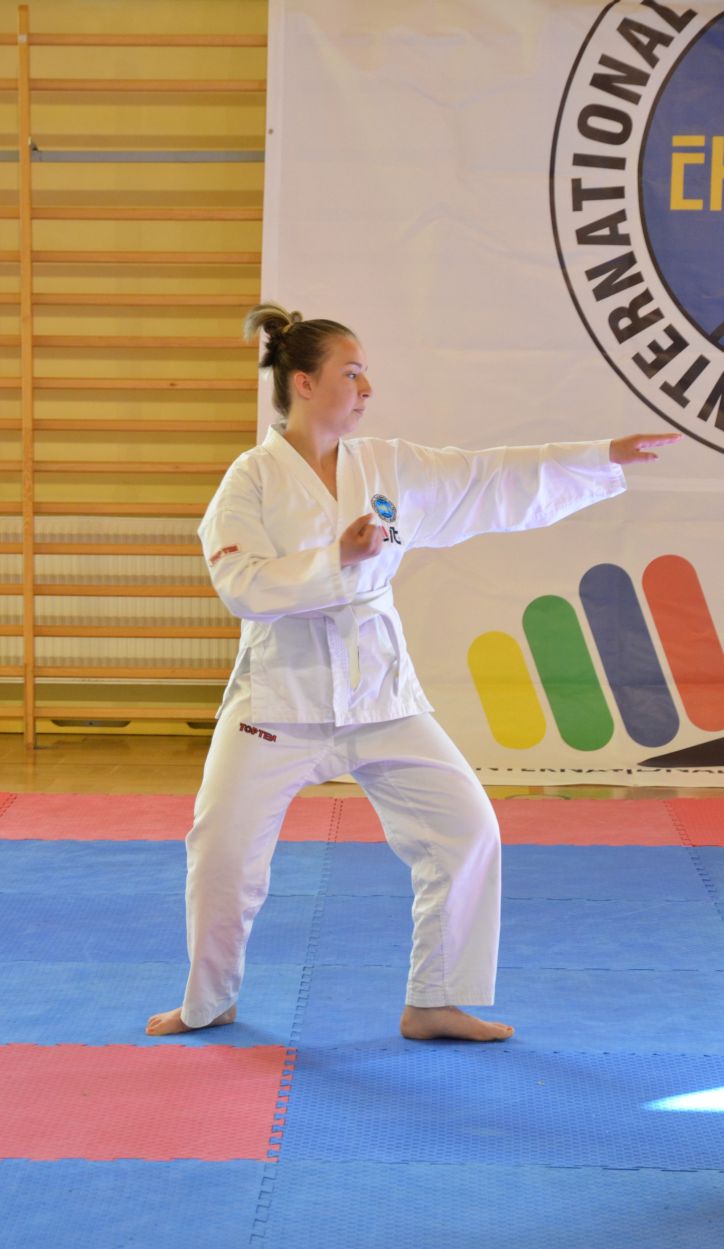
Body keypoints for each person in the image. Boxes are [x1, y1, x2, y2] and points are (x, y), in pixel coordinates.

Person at [146, 302, 678, 1042]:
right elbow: (242, 585)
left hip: (378, 693)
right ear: (304, 383)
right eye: (351, 373)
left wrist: (599, 459)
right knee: (222, 851)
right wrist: (337, 558)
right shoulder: (252, 480)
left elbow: (483, 479)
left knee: (467, 827)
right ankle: (209, 1000)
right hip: (280, 697)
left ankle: (435, 999)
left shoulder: (385, 466)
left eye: (366, 373)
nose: (366, 387)